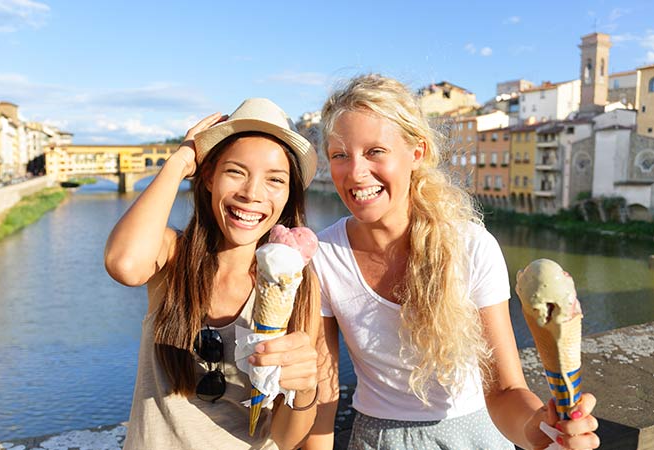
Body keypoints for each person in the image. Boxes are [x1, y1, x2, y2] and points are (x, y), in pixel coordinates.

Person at [304, 74, 600, 450]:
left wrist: (542, 428)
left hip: (475, 436)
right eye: (340, 155)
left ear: (417, 153)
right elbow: (324, 390)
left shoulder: (471, 247)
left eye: (375, 151)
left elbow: (504, 390)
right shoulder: (322, 255)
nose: (355, 172)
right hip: (377, 440)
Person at [105, 98, 321, 450]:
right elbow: (124, 264)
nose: (252, 194)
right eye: (235, 171)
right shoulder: (172, 255)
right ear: (208, 177)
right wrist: (179, 161)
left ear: (288, 195)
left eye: (275, 180)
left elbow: (285, 438)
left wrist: (307, 388)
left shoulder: (298, 284)